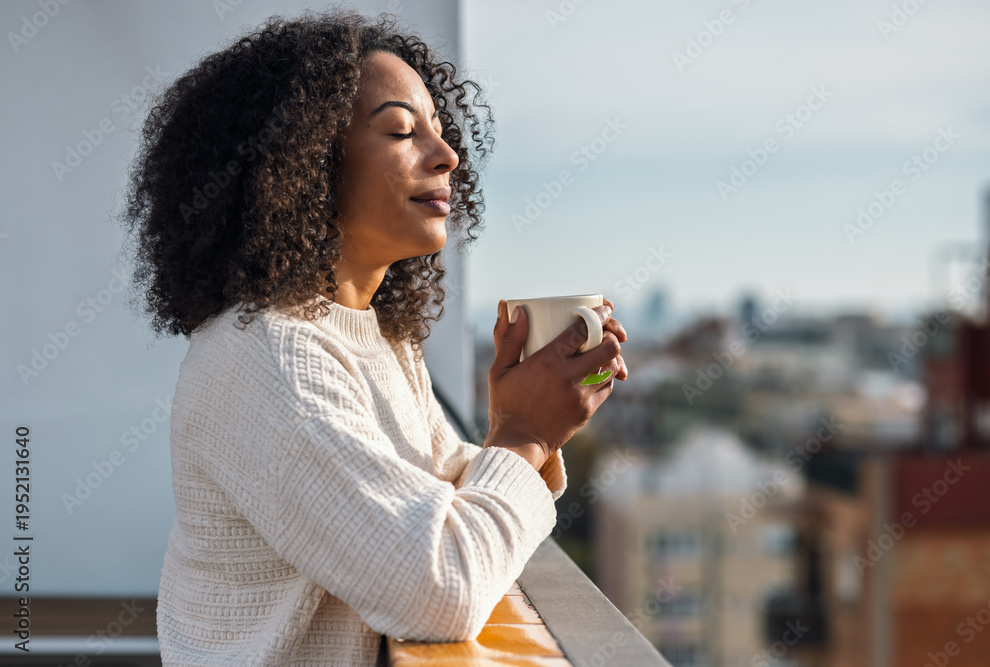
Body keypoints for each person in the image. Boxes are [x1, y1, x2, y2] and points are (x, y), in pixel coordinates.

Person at [118, 7, 627, 666]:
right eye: (400, 131)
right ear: (301, 162)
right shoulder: (267, 356)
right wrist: (525, 433)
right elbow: (438, 588)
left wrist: (520, 421)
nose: (446, 156)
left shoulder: (373, 335)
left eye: (441, 133)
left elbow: (435, 501)